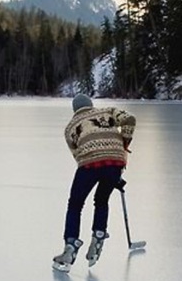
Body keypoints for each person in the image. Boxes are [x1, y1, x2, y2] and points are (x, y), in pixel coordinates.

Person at [53, 94, 136, 270]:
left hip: (89, 165)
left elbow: (77, 155)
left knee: (75, 204)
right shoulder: (109, 111)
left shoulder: (70, 128)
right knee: (101, 200)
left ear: (75, 109)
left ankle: (70, 245)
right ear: (91, 104)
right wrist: (124, 142)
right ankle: (98, 235)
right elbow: (129, 119)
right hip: (115, 162)